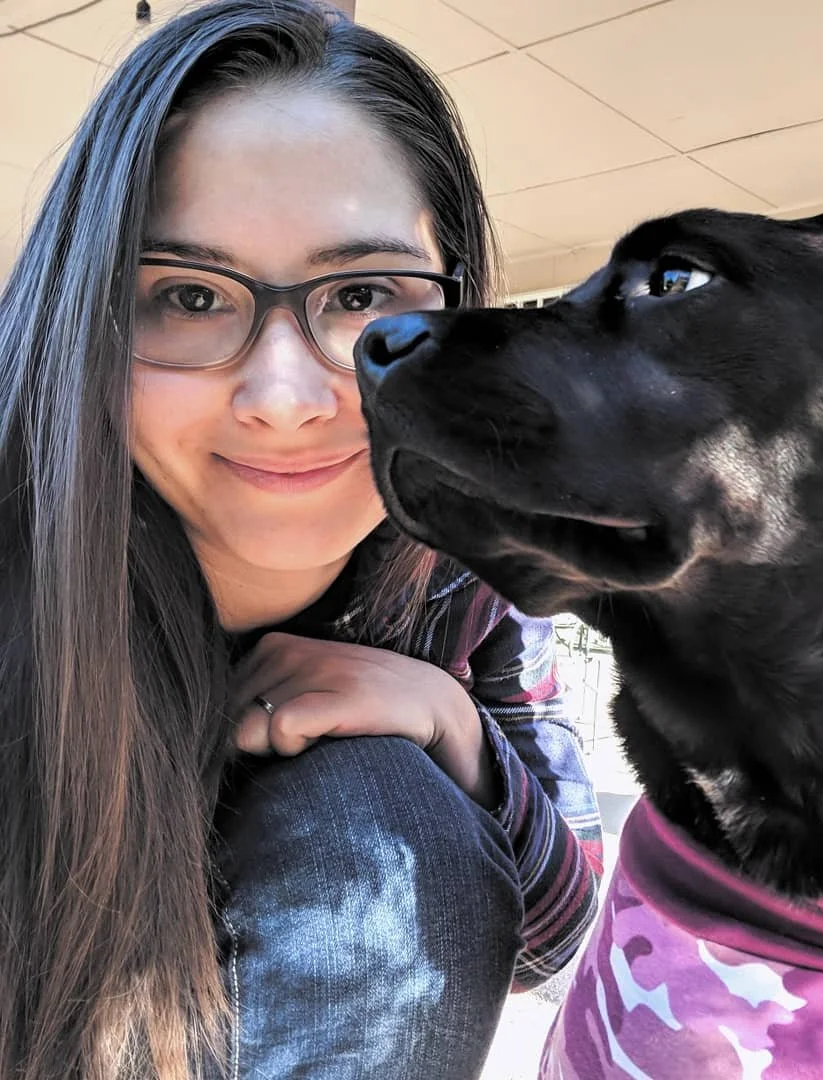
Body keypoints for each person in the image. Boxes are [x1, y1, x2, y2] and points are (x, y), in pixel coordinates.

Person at [0, 2, 603, 1077]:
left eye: (363, 294)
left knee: (378, 809)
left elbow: (559, 930)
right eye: (187, 295)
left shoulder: (467, 570)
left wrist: (449, 721)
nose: (284, 397)